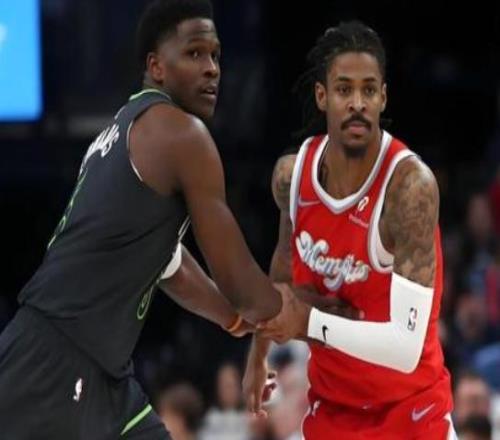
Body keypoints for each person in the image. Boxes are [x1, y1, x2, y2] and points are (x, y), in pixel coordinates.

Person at [0, 0, 297, 438]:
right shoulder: (181, 134)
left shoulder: (121, 132)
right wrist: (293, 310)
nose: (211, 68)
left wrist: (232, 319)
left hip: (101, 372)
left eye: (215, 55)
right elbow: (238, 280)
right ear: (156, 67)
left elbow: (169, 264)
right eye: (194, 53)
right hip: (56, 365)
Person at [243, 21, 457, 439]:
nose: (357, 103)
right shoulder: (292, 178)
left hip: (412, 414)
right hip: (332, 411)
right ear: (322, 96)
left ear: (383, 98)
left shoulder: (409, 189)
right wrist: (258, 355)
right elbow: (283, 274)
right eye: (344, 90)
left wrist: (309, 320)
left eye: (368, 90)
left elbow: (406, 347)